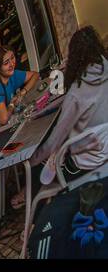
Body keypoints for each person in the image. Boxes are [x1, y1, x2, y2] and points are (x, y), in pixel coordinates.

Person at [36, 26, 108, 182]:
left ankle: (34, 196)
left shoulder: (78, 89)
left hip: (87, 164)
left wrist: (31, 160)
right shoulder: (104, 65)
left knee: (42, 159)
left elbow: (54, 142)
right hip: (104, 146)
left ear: (74, 55)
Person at [0, 46, 38, 126]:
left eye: (12, 58)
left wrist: (23, 92)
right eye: (6, 63)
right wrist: (12, 104)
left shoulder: (13, 75)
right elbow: (3, 120)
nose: (12, 64)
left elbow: (35, 75)